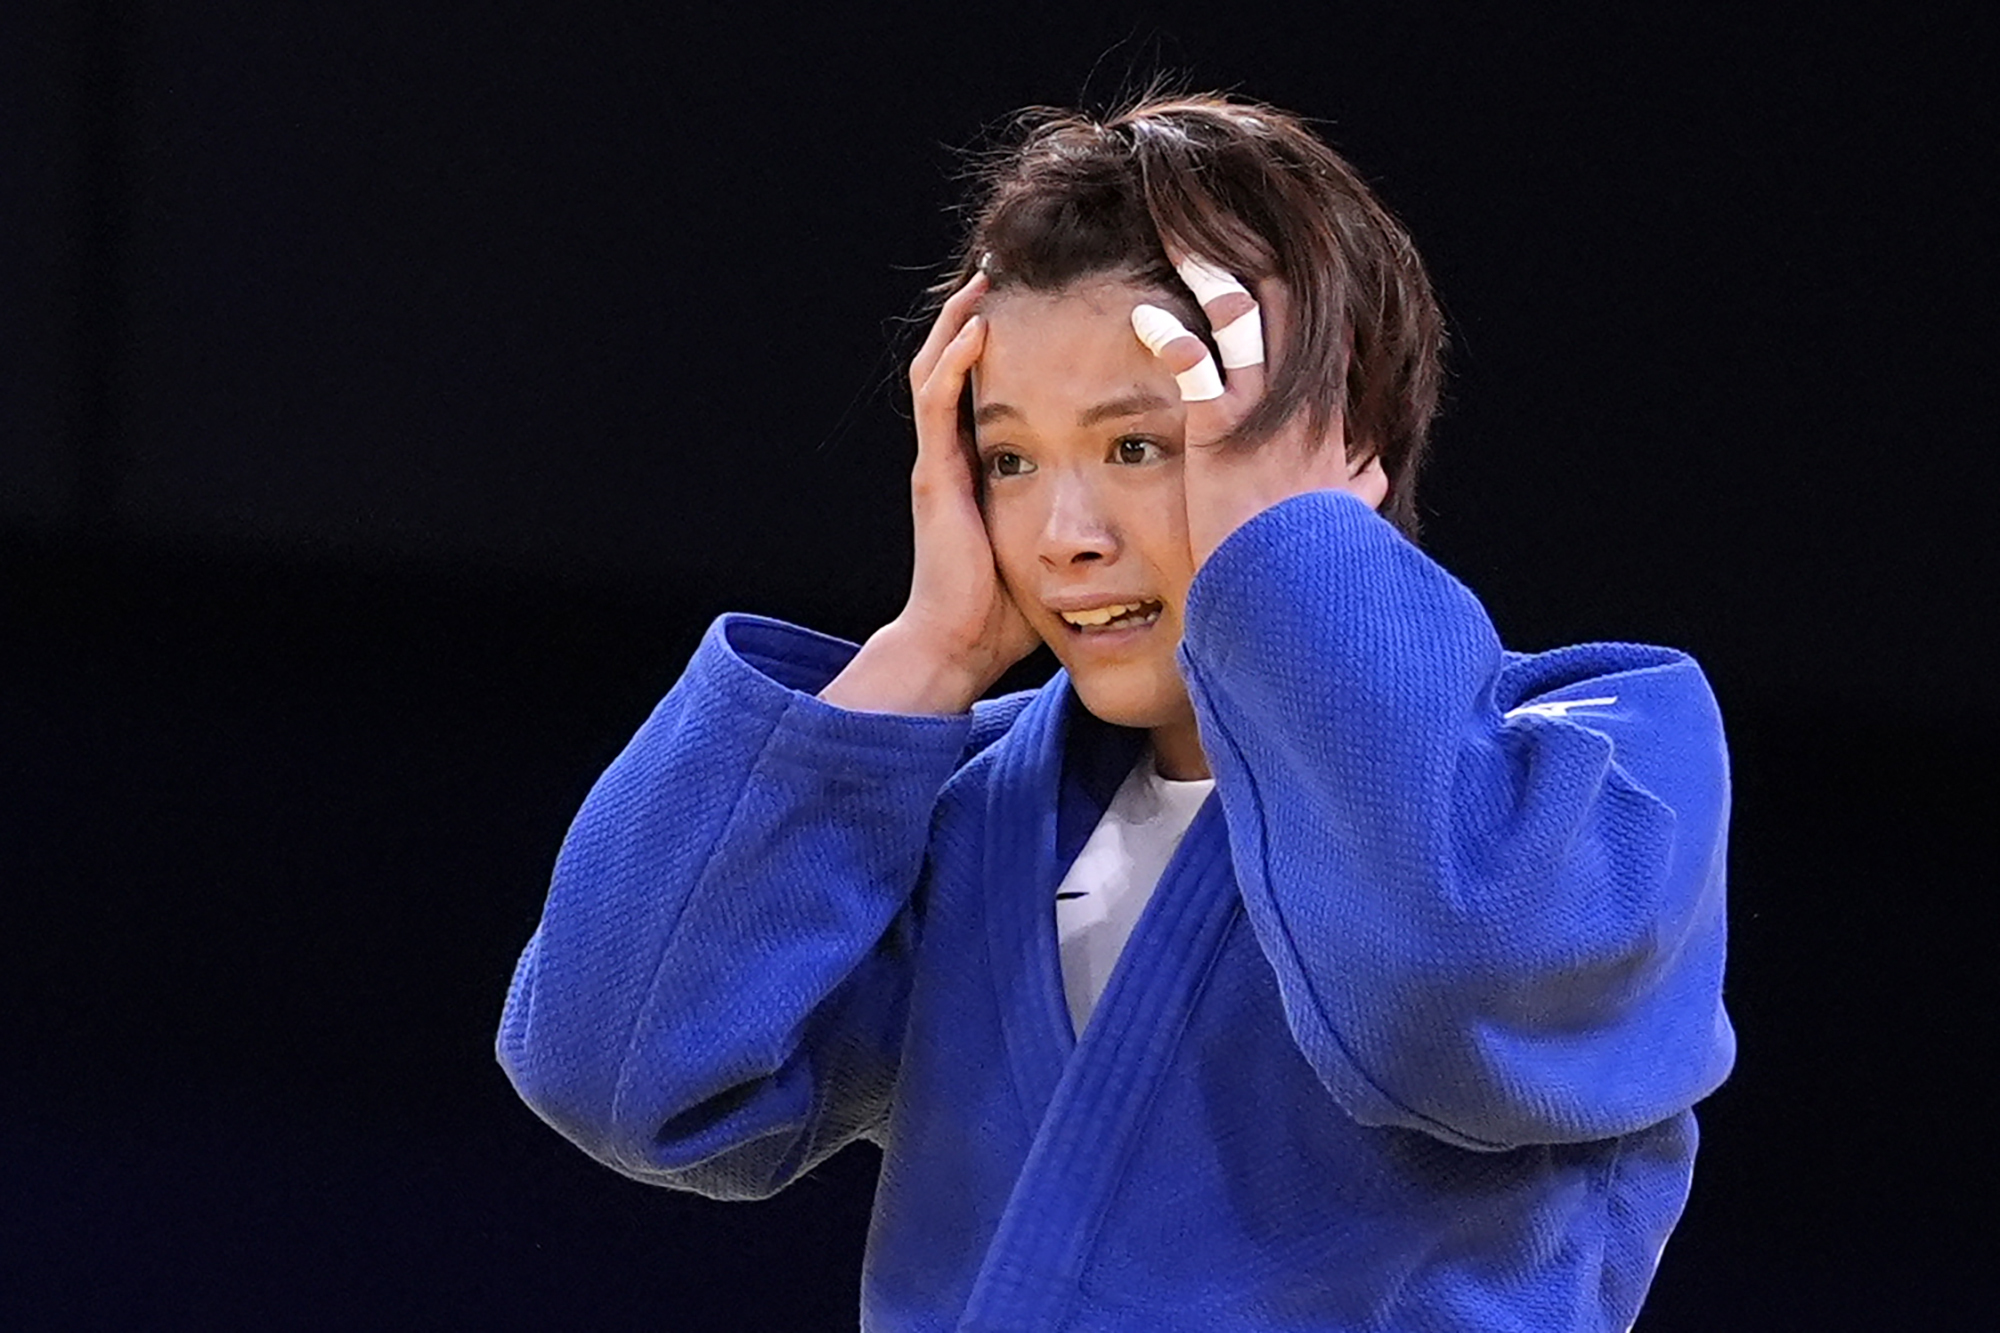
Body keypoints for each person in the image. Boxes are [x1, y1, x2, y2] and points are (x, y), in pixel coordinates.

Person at [496, 92, 1735, 1331]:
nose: (1065, 539)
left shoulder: (1599, 756)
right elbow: (619, 1075)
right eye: (1010, 460)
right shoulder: (975, 809)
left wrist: (1286, 558)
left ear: (1337, 433)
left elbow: (1444, 999)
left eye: (1139, 446)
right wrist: (927, 652)